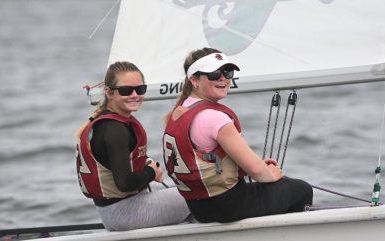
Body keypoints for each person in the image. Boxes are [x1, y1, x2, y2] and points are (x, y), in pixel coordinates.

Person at [162, 48, 313, 223]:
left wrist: (253, 167)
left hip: (199, 208)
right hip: (227, 206)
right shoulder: (214, 118)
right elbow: (259, 173)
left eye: (228, 72)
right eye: (214, 74)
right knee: (301, 190)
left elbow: (206, 161)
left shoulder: (178, 112)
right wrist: (271, 173)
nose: (223, 78)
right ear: (194, 80)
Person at [75, 61, 190, 231]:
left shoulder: (110, 122)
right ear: (109, 92)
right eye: (126, 90)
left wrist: (146, 164)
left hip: (115, 210)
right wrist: (151, 172)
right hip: (123, 212)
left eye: (140, 89)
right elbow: (124, 183)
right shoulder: (114, 129)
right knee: (197, 194)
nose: (135, 95)